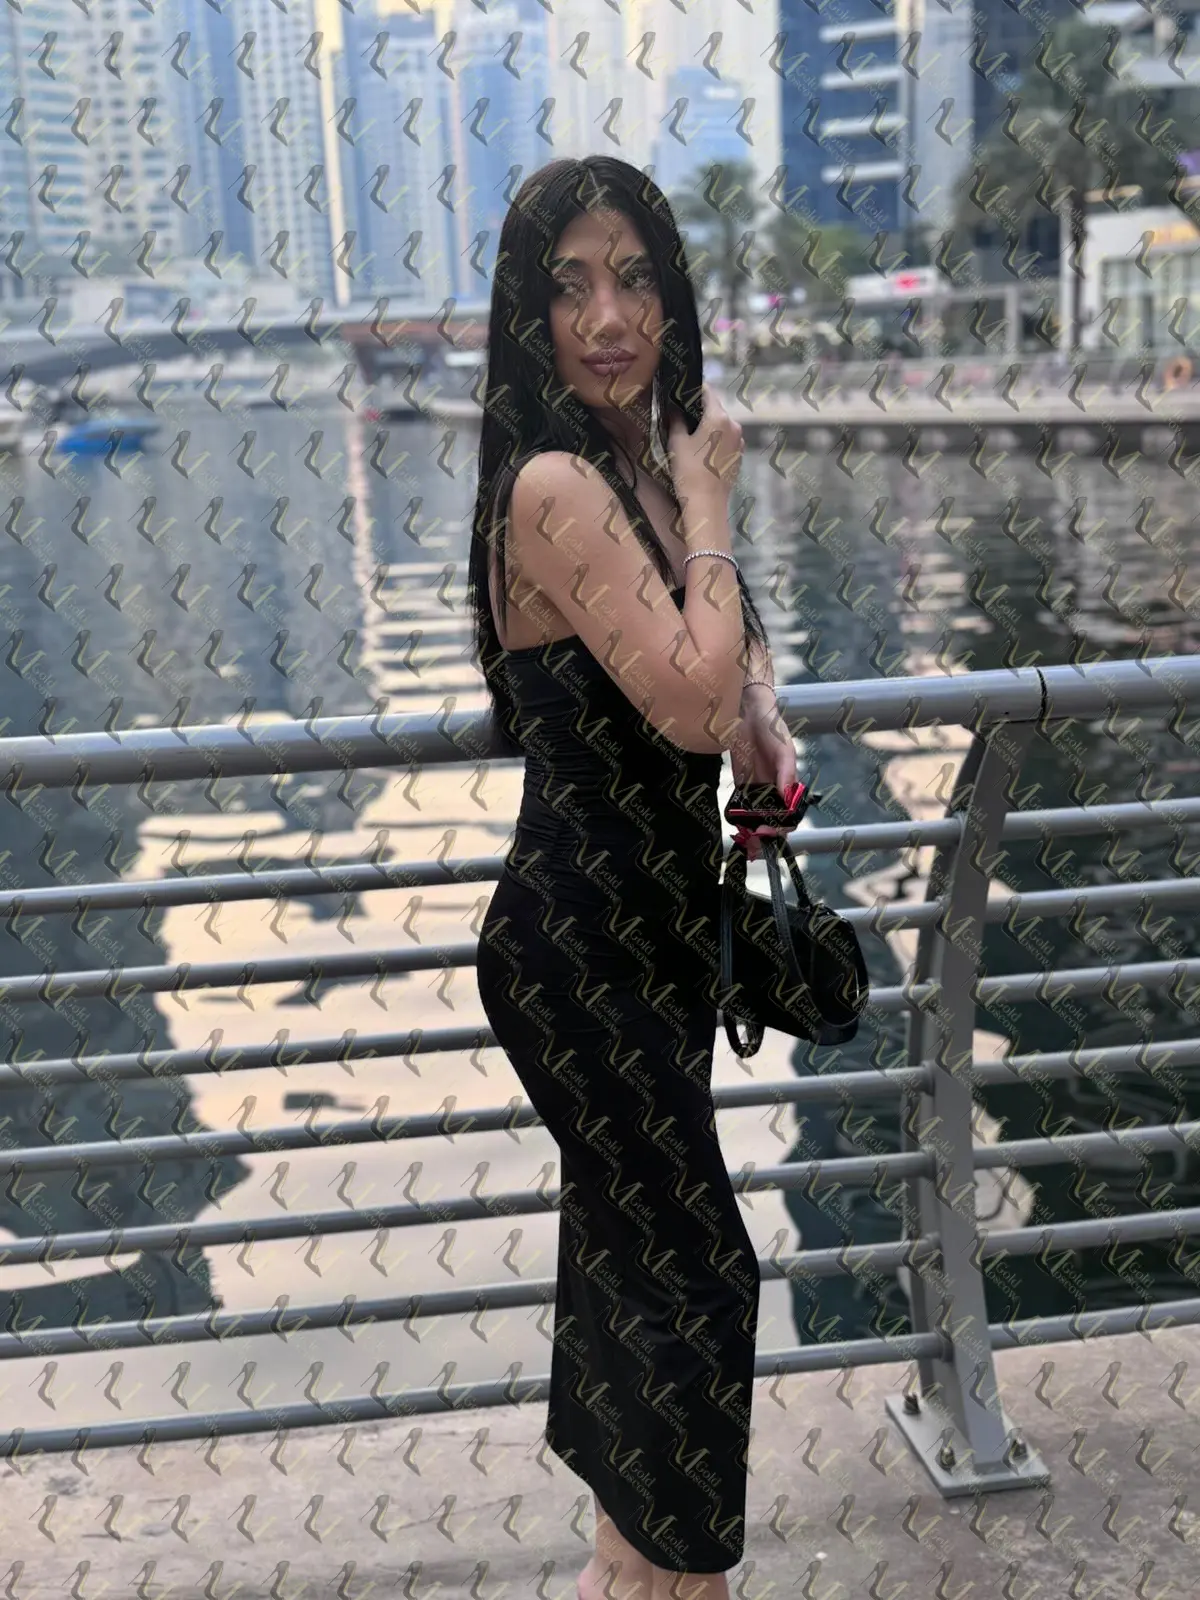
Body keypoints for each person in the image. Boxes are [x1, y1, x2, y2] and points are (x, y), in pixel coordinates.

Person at [467, 156, 797, 1600]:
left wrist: (763, 708)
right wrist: (713, 493)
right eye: (570, 287)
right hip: (579, 947)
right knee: (698, 1273)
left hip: (653, 939)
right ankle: (685, 1581)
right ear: (527, 319)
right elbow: (683, 694)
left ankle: (628, 1575)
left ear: (672, 294)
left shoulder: (634, 476)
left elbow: (725, 656)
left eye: (635, 277)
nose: (609, 317)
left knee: (632, 1267)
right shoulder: (556, 487)